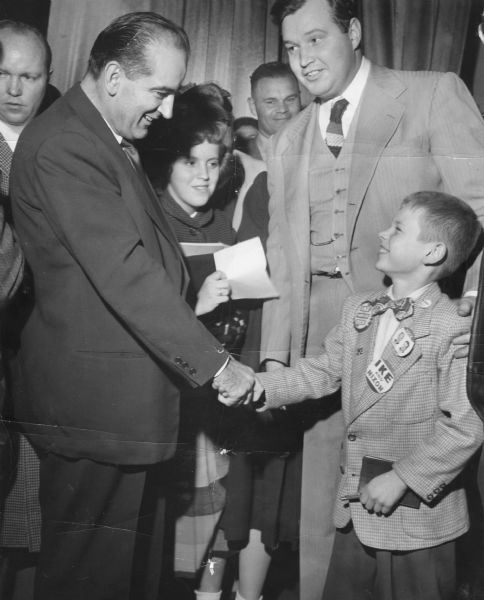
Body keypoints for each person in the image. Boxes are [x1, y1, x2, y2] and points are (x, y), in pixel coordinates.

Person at [9, 12, 254, 600]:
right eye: (161, 93)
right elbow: (124, 273)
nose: (167, 112)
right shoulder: (70, 143)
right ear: (114, 77)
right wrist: (218, 364)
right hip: (97, 409)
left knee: (128, 576)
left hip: (122, 406)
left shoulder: (105, 138)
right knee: (89, 577)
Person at [261, 1, 484, 597]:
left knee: (408, 523)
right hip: (322, 344)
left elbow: (479, 209)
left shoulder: (432, 95)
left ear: (354, 32)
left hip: (419, 345)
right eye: (290, 48)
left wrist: (474, 318)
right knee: (325, 526)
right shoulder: (285, 142)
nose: (303, 60)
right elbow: (282, 258)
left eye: (315, 39)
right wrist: (276, 362)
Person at [254, 191, 484, 600]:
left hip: (418, 520)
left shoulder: (453, 325)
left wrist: (403, 478)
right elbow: (323, 371)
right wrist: (259, 387)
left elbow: (467, 423)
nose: (382, 232)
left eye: (397, 228)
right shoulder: (360, 309)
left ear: (433, 251)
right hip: (354, 511)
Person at [0, 20, 51, 600]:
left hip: (41, 354)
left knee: (34, 519)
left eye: (29, 76)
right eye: (4, 74)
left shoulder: (56, 144)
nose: (15, 88)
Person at [247, 61, 301, 162]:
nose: (282, 109)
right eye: (271, 102)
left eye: (290, 99)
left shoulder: (320, 153)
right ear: (253, 106)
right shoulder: (238, 158)